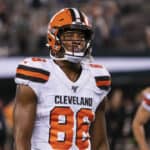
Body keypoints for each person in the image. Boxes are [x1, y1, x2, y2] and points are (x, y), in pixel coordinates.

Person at [13, 8, 111, 150]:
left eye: (81, 36)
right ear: (54, 37)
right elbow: (21, 139)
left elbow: (100, 142)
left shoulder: (97, 79)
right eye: (70, 35)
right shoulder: (37, 75)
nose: (77, 41)